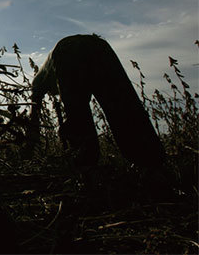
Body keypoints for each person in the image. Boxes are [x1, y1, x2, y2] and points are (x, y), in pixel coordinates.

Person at [30, 34, 166, 170]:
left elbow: (34, 120)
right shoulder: (54, 70)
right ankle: (151, 160)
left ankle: (87, 168)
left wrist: (32, 145)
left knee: (79, 120)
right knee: (123, 107)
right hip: (98, 45)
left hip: (67, 49)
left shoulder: (37, 82)